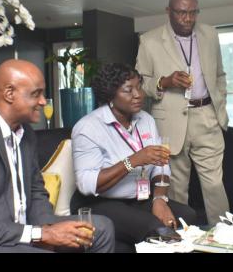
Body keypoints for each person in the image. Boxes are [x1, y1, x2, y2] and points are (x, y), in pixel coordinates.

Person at [0, 59, 115, 253]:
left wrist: (48, 229)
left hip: (21, 231)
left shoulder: (25, 132)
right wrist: (39, 234)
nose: (43, 101)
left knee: (100, 229)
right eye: (36, 94)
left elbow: (36, 191)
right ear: (9, 93)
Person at [70, 63, 197, 253]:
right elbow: (88, 184)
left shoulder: (146, 120)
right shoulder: (88, 128)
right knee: (155, 228)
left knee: (187, 215)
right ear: (110, 95)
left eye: (139, 86)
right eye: (128, 90)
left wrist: (160, 199)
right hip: (100, 202)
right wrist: (133, 160)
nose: (139, 94)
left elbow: (162, 165)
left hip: (140, 198)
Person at [135, 0, 229, 225]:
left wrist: (220, 108)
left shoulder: (210, 34)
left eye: (193, 12)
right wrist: (164, 82)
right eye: (181, 13)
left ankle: (225, 236)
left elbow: (219, 75)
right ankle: (182, 237)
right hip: (171, 123)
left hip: (207, 116)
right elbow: (140, 82)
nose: (188, 19)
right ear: (168, 11)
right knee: (176, 186)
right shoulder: (149, 40)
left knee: (215, 184)